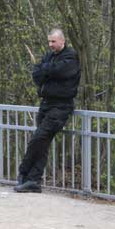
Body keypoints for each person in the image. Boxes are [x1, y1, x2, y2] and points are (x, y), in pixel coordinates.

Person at [14, 28, 81, 193]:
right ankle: (33, 181)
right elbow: (37, 75)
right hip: (45, 104)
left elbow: (58, 71)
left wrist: (46, 70)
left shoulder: (71, 57)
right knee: (42, 143)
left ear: (62, 41)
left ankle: (24, 172)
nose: (50, 44)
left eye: (53, 41)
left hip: (61, 107)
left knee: (38, 138)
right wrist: (48, 70)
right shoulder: (49, 57)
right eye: (49, 41)